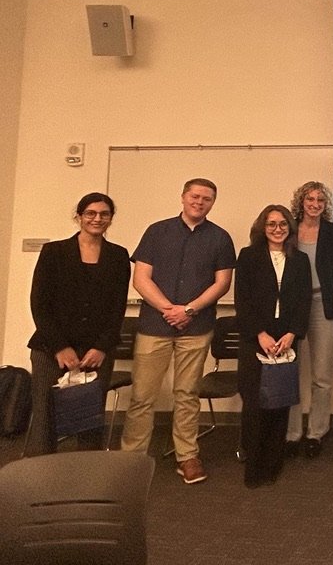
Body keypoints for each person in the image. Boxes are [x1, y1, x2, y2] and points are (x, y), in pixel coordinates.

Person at [120, 178, 236, 485]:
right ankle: (131, 459)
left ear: (213, 203)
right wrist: (168, 309)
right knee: (142, 395)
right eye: (195, 196)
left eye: (207, 198)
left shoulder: (221, 238)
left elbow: (222, 284)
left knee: (187, 394)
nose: (200, 202)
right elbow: (141, 279)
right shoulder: (156, 231)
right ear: (183, 197)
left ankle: (187, 456)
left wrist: (189, 310)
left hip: (196, 327)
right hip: (154, 326)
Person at [25, 192, 131, 456]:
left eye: (104, 214)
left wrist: (101, 347)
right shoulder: (54, 252)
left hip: (96, 352)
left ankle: (86, 475)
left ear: (111, 218)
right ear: (79, 217)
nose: (97, 219)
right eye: (90, 213)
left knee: (89, 421)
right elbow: (40, 304)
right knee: (45, 419)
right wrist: (60, 347)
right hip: (50, 349)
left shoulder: (118, 256)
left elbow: (117, 308)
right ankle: (40, 474)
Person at [235, 205, 312, 488]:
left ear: (290, 228)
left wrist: (292, 334)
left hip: (285, 338)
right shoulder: (248, 256)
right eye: (271, 224)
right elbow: (242, 300)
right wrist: (260, 334)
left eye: (282, 224)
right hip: (256, 338)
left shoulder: (300, 260)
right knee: (255, 403)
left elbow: (304, 301)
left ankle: (273, 464)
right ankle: (254, 466)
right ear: (262, 227)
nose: (277, 229)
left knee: (279, 403)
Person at [285, 181, 333, 459]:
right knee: (290, 371)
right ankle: (292, 433)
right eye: (310, 199)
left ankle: (316, 432)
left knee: (321, 375)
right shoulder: (288, 229)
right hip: (292, 306)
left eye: (321, 200)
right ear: (301, 202)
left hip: (322, 304)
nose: (315, 204)